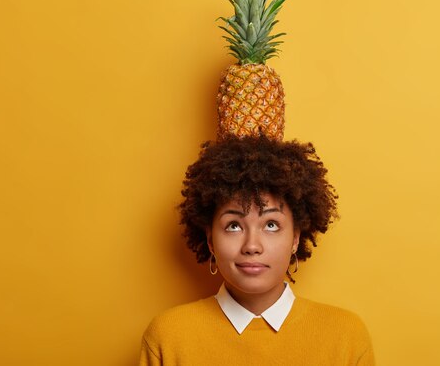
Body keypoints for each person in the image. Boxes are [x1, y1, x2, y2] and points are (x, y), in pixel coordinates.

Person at [139, 135, 374, 365]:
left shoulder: (346, 337)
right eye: (233, 226)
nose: (252, 246)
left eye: (271, 225)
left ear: (295, 238)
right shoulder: (168, 337)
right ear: (211, 240)